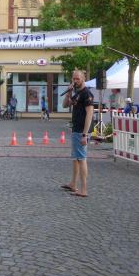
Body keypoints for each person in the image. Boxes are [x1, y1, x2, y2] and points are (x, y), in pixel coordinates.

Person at [60, 70, 93, 198]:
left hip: (81, 131)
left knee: (81, 159)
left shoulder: (86, 93)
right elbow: (64, 105)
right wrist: (68, 93)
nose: (75, 81)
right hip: (75, 129)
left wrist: (85, 134)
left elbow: (89, 114)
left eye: (77, 78)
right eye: (73, 79)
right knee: (75, 158)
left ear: (83, 78)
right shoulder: (77, 93)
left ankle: (83, 189)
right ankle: (73, 184)